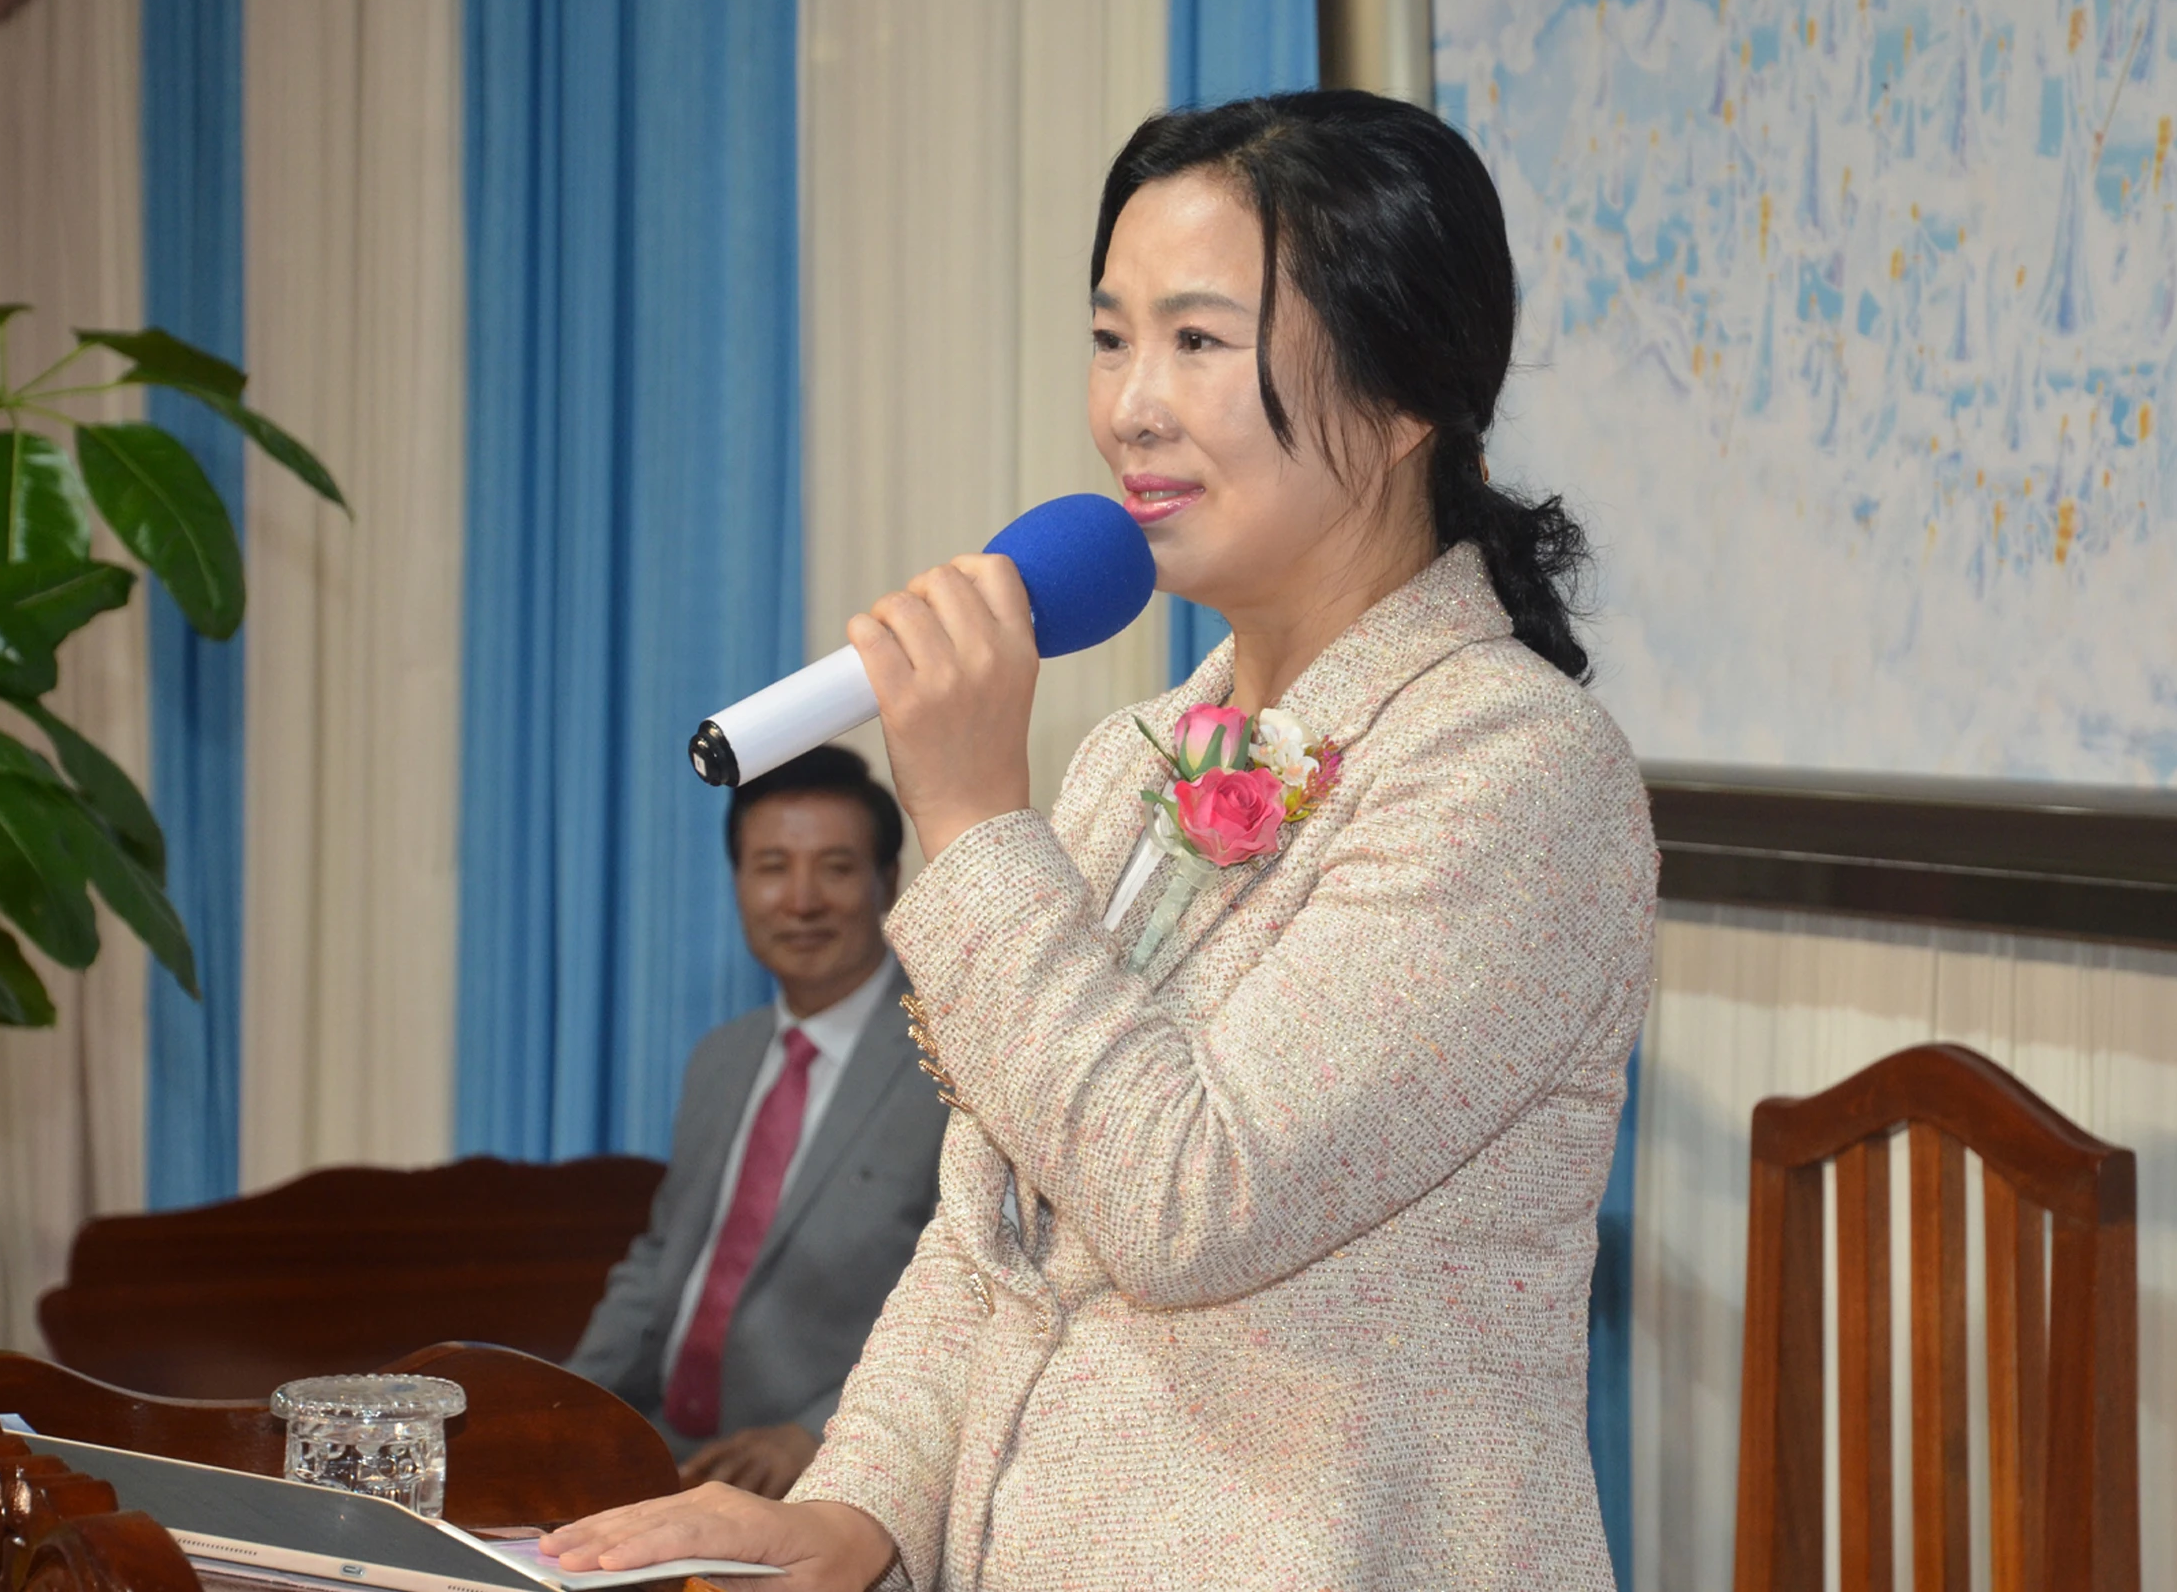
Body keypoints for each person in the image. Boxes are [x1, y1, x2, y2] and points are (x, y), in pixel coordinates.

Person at [550, 91, 1658, 1589]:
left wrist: (965, 817)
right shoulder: (1132, 758)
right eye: (1109, 335)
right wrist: (850, 1508)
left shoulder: (1515, 771)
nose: (1132, 405)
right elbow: (987, 1237)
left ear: (1404, 392)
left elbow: (1190, 1199)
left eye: (1196, 339)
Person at [567, 746, 947, 1500]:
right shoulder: (721, 1057)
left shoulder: (951, 1060)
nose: (801, 901)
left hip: (826, 1473)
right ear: (739, 882)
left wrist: (818, 1435)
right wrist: (558, 1406)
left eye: (836, 868)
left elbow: (976, 1298)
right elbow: (662, 1260)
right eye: (772, 867)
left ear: (888, 883)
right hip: (666, 1449)